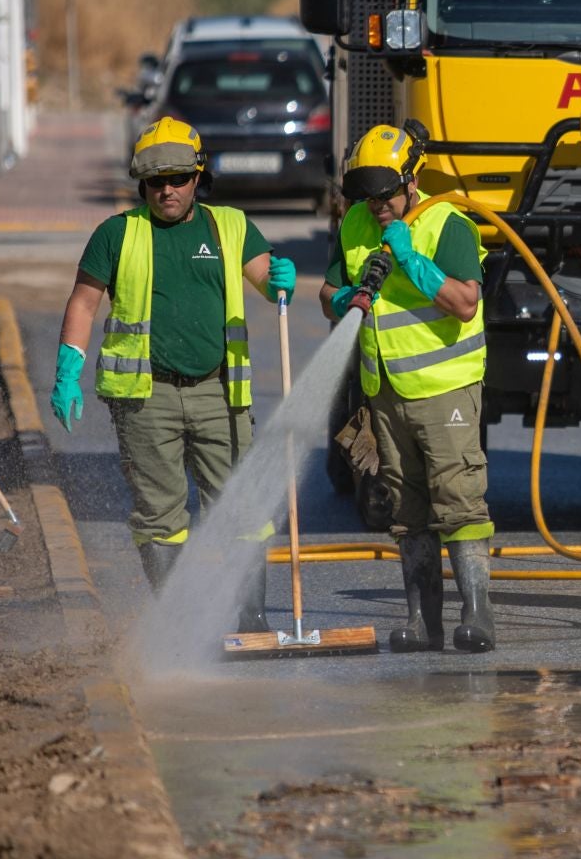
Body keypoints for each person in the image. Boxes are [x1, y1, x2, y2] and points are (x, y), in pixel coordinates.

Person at [51, 118, 295, 632]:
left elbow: (265, 278)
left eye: (178, 179)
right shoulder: (117, 234)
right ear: (143, 183)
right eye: (156, 181)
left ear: (197, 177)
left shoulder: (230, 226)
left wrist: (280, 279)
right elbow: (84, 302)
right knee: (159, 516)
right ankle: (179, 626)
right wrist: (68, 369)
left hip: (218, 393)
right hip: (146, 398)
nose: (168, 190)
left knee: (241, 507)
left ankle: (251, 619)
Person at [319, 123, 497, 653]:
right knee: (405, 508)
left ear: (411, 182)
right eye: (367, 195)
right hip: (385, 391)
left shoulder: (447, 223)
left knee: (459, 499)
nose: (377, 206)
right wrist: (341, 298)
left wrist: (412, 260)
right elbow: (329, 289)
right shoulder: (355, 223)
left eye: (386, 194)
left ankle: (478, 616)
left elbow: (465, 302)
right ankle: (422, 622)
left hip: (445, 388)